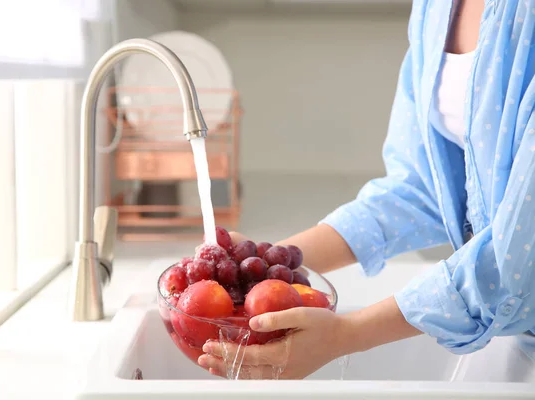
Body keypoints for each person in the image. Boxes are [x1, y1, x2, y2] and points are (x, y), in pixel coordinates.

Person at [197, 0, 535, 379]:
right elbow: (424, 187)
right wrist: (266, 267)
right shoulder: (435, 8)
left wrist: (346, 334)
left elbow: (517, 257)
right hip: (515, 333)